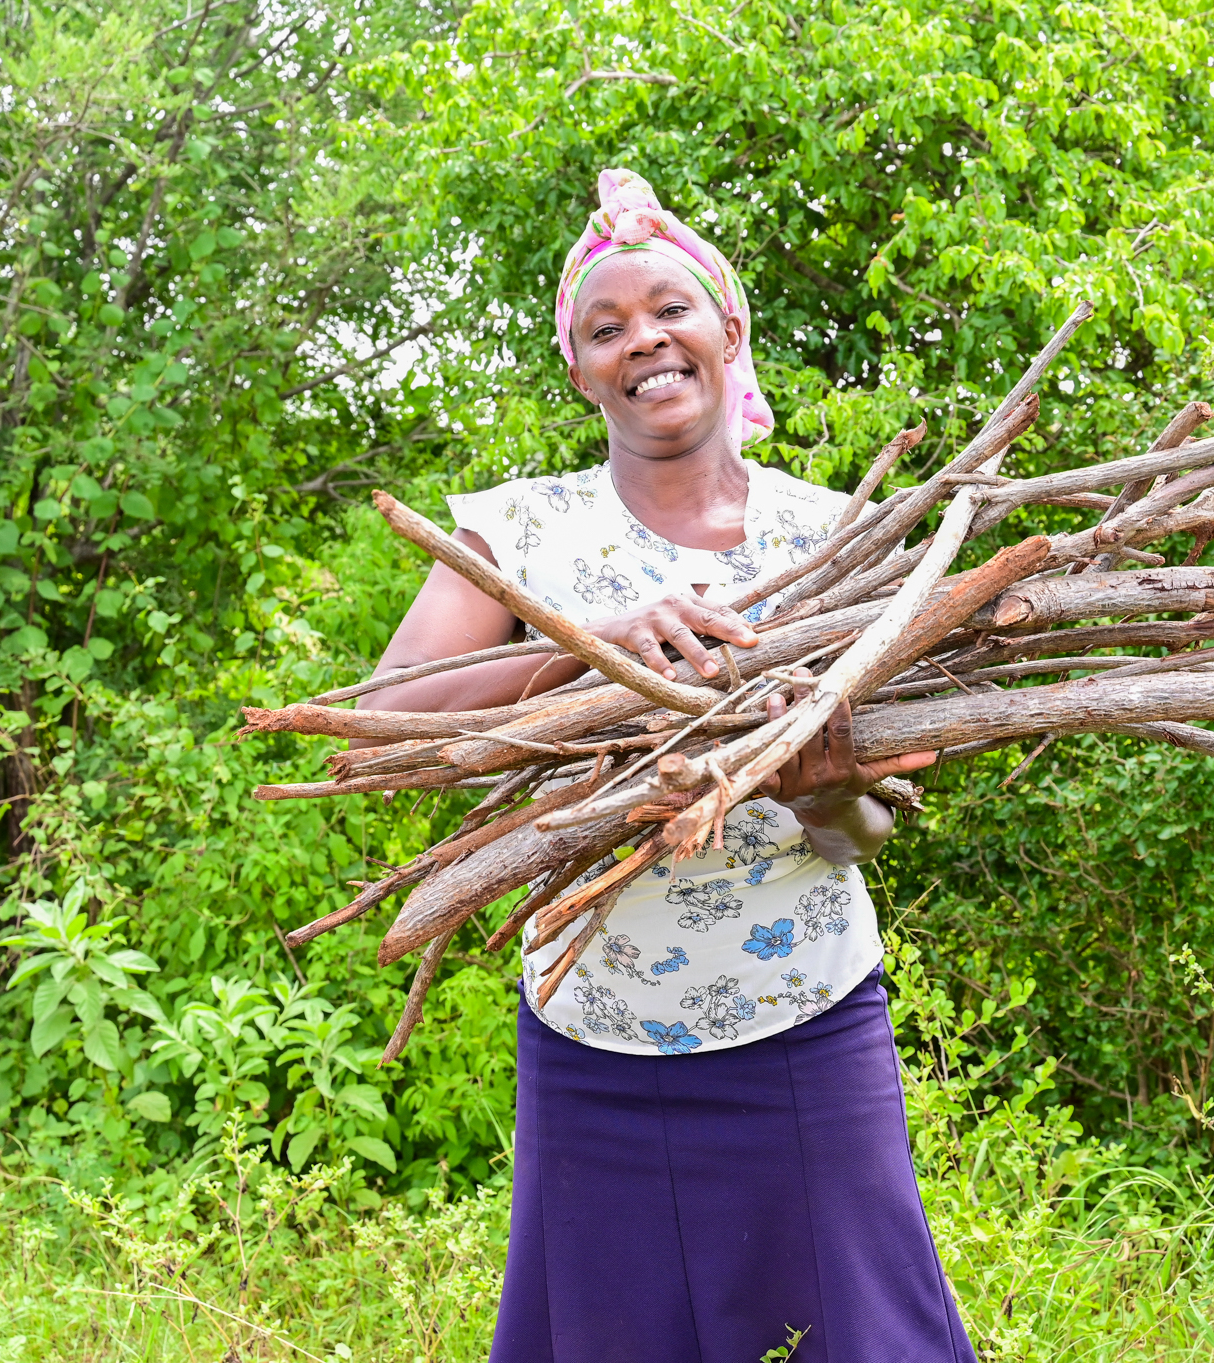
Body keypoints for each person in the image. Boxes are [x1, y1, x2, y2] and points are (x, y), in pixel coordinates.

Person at [358, 168, 973, 1362]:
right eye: (606, 327)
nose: (643, 339)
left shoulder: (834, 539)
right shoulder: (518, 532)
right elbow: (390, 721)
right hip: (594, 1037)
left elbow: (860, 840)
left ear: (729, 329)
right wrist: (582, 661)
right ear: (579, 368)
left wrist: (826, 792)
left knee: (870, 1335)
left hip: (806, 1023)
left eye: (671, 310)